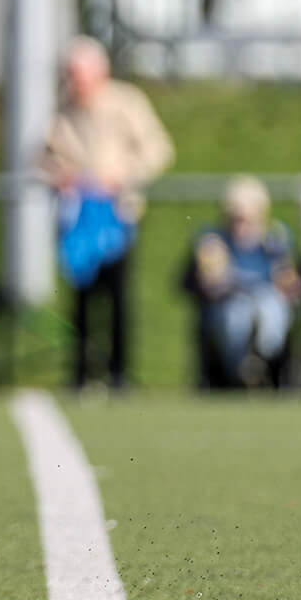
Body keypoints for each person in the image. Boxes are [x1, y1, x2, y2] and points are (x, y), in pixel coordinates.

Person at [41, 36, 173, 391]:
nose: (74, 80)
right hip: (78, 217)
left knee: (117, 295)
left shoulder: (126, 103)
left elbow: (157, 150)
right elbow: (45, 158)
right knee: (81, 298)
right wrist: (62, 177)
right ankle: (81, 374)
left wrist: (121, 176)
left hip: (117, 214)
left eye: (78, 73)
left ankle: (119, 374)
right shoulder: (64, 110)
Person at [183, 175, 301, 389]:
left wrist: (285, 274)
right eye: (236, 217)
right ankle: (242, 368)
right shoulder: (214, 240)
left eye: (247, 217)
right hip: (229, 303)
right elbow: (206, 284)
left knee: (270, 308)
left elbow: (292, 285)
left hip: (266, 300)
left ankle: (262, 359)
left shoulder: (274, 239)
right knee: (237, 314)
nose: (242, 223)